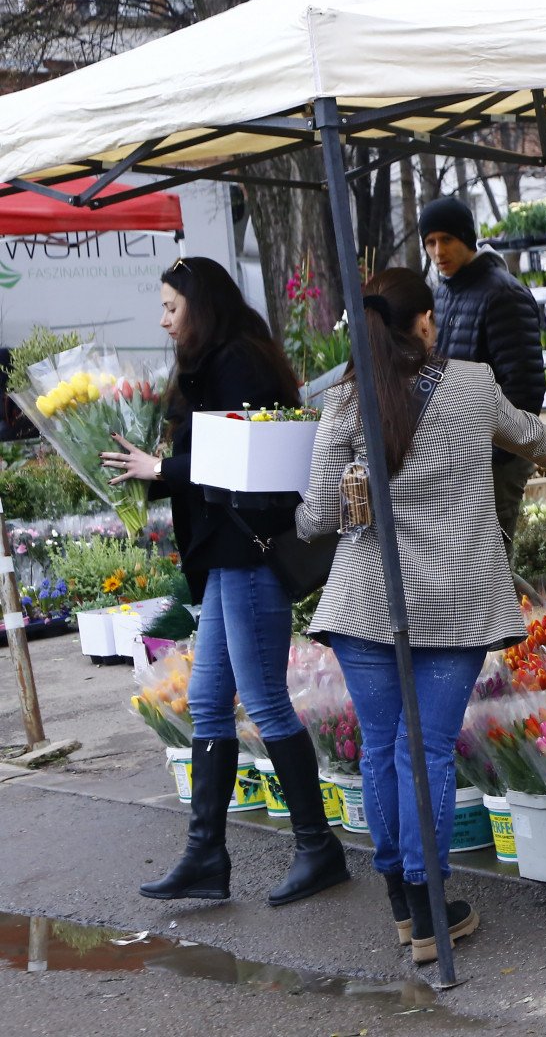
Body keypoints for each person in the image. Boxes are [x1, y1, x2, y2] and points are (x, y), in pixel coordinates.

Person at [296, 268, 546, 963]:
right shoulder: (472, 384)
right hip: (456, 600)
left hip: (365, 601)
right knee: (429, 751)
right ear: (423, 323)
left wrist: (280, 509)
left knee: (384, 749)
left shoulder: (346, 397)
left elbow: (320, 514)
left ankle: (402, 908)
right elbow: (531, 437)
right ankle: (431, 905)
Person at [102, 256, 349, 907]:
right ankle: (205, 856)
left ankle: (318, 848)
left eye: (171, 308)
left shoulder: (239, 361)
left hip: (248, 554)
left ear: (201, 307)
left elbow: (248, 457)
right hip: (222, 559)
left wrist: (161, 466)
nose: (163, 320)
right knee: (210, 705)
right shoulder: (219, 361)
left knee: (265, 700)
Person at [418, 195, 546, 545]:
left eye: (447, 239)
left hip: (497, 459)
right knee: (461, 560)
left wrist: (488, 451)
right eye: (430, 242)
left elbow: (525, 387)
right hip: (459, 455)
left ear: (467, 238)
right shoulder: (444, 294)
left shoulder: (503, 294)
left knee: (488, 562)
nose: (437, 250)